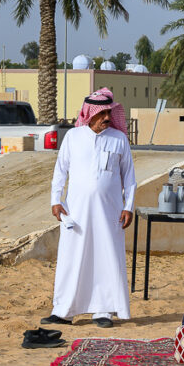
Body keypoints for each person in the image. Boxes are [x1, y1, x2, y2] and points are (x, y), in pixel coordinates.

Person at [44, 88, 136, 329]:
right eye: (102, 113)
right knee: (71, 258)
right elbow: (60, 171)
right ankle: (63, 311)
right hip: (76, 213)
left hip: (110, 212)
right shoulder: (73, 138)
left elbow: (130, 178)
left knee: (106, 258)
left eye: (109, 112)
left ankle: (103, 310)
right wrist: (56, 200)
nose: (107, 117)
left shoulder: (119, 139)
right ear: (90, 114)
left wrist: (129, 207)